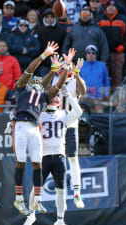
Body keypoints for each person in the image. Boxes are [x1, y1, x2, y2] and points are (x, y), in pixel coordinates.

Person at [10, 42, 75, 216]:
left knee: (38, 164)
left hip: (33, 128)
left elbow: (59, 84)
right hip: (21, 124)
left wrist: (66, 67)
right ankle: (18, 199)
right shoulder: (22, 88)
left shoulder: (44, 96)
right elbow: (30, 70)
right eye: (37, 80)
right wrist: (44, 55)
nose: (39, 81)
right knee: (21, 163)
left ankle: (37, 201)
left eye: (41, 81)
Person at [21, 86, 83, 225]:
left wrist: (68, 95)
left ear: (59, 102)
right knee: (36, 188)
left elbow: (79, 112)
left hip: (59, 157)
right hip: (43, 156)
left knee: (61, 191)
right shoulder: (39, 114)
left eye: (56, 98)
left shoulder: (63, 114)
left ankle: (60, 221)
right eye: (51, 97)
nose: (54, 99)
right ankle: (31, 214)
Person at [51, 56, 87, 209]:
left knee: (72, 158)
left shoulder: (74, 81)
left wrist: (77, 75)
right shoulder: (54, 81)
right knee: (55, 159)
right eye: (63, 67)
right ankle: (61, 195)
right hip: (56, 123)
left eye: (67, 67)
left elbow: (83, 91)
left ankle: (77, 193)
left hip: (70, 122)